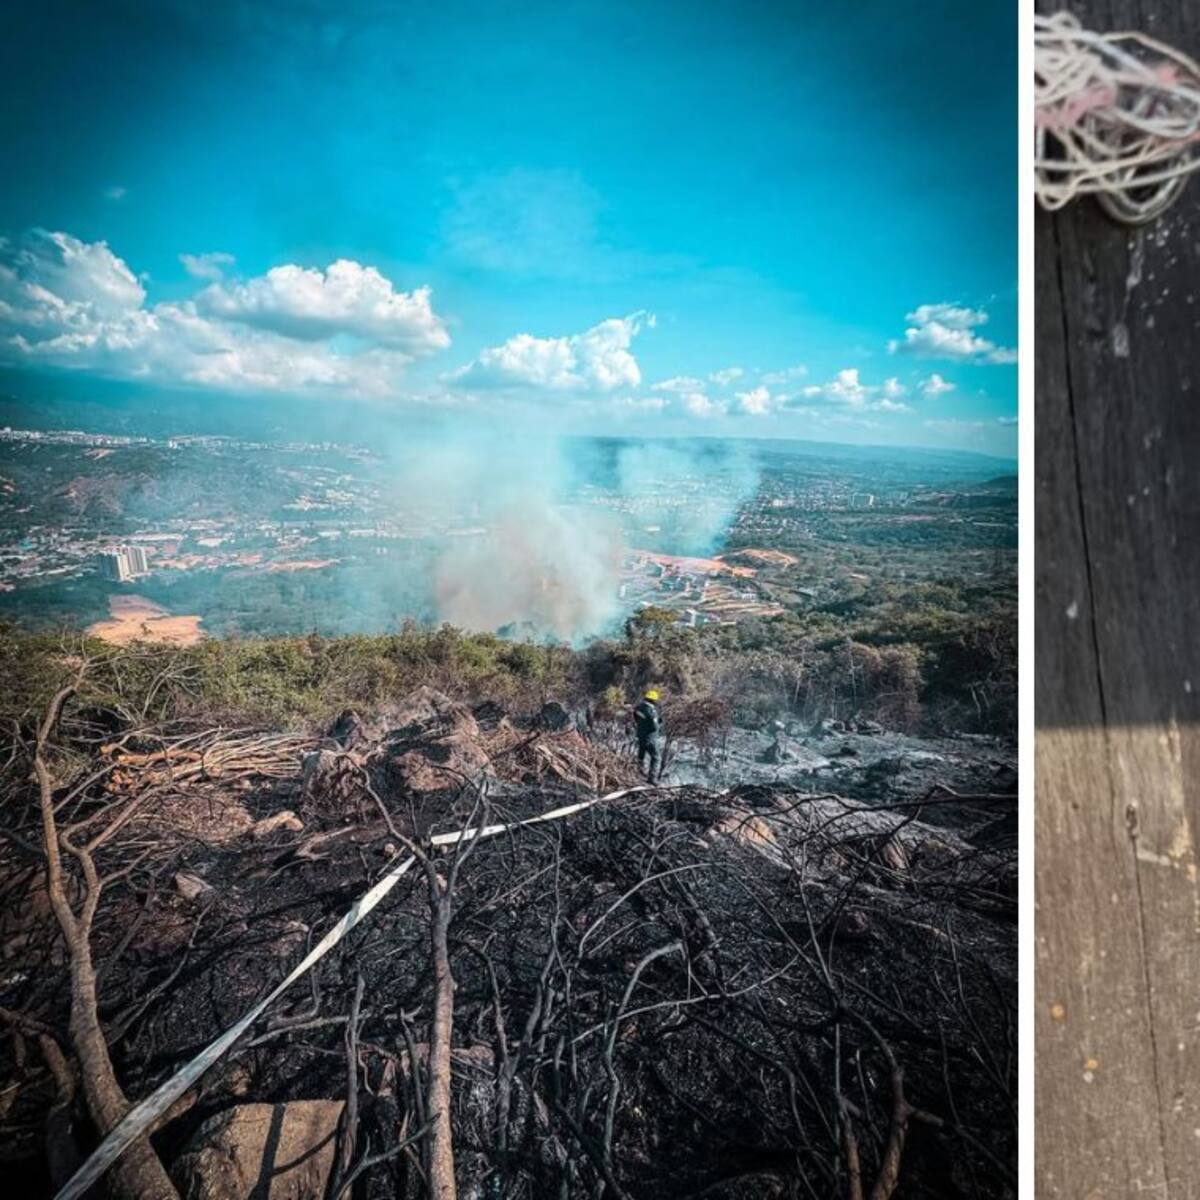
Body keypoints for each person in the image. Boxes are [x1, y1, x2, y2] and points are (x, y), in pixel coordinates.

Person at [633, 688, 665, 783]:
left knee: (641, 756)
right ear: (654, 700)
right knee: (656, 758)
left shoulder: (638, 707)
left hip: (641, 736)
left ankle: (638, 773)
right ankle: (652, 779)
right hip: (650, 737)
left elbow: (637, 719)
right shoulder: (652, 711)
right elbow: (654, 726)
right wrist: (659, 724)